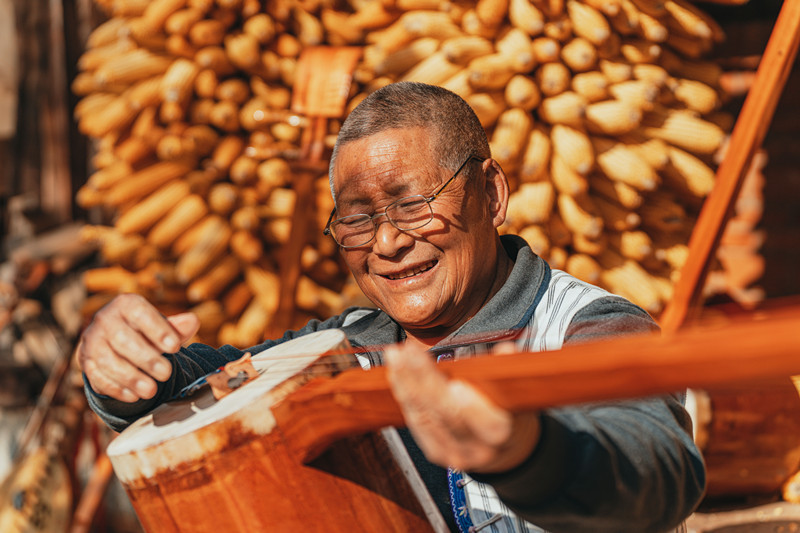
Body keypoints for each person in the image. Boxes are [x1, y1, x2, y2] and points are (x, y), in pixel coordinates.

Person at [78, 81, 705, 532]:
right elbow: (207, 387)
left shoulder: (585, 327)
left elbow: (657, 471)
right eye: (356, 220)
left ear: (490, 193)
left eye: (412, 205)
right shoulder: (350, 348)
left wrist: (529, 450)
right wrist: (127, 364)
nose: (386, 242)